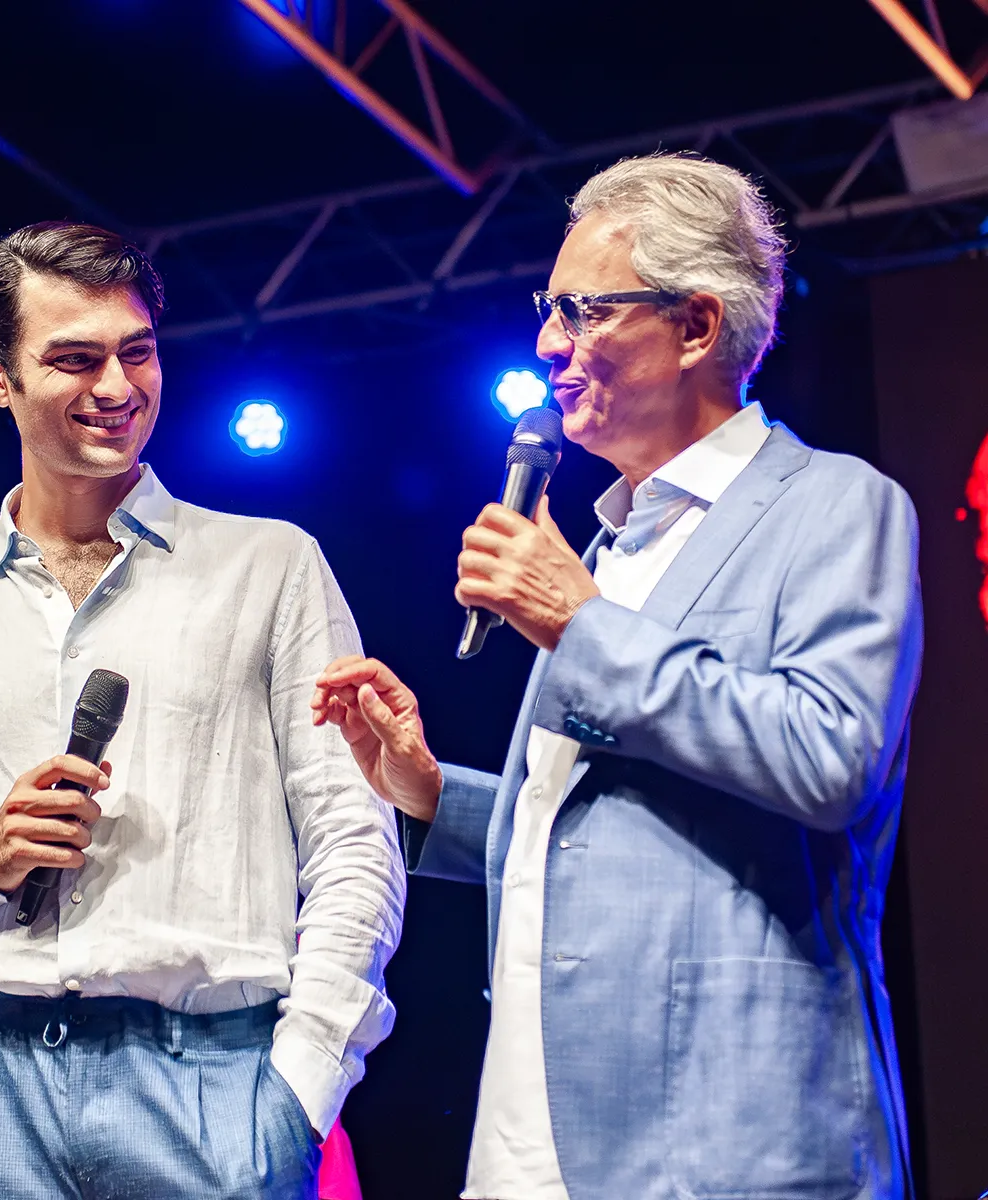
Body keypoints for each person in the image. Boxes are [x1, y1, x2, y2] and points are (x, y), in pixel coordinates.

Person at [313, 153, 922, 1200]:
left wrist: (580, 624)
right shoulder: (610, 543)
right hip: (537, 1132)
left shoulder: (835, 504)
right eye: (548, 310)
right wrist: (429, 791)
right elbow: (601, 832)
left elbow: (830, 759)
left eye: (584, 310)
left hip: (729, 1135)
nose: (548, 343)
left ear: (695, 326)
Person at [0, 222, 405, 1199]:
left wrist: (300, 1086)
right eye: (75, 360)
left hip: (217, 1079)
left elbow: (352, 838)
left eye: (139, 352)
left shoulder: (270, 565)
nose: (119, 387)